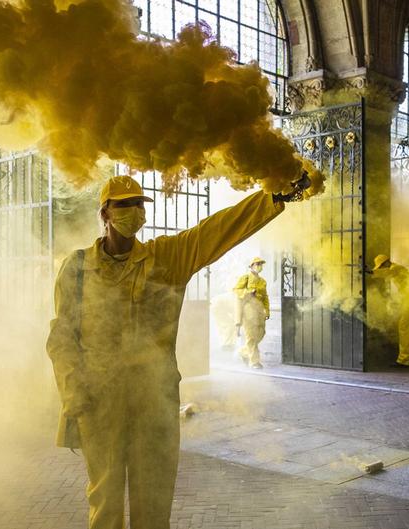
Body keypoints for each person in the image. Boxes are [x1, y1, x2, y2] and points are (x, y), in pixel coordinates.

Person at [46, 174, 309, 529]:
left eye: (140, 204)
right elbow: (62, 336)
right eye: (124, 204)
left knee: (154, 508)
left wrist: (273, 196)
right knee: (105, 505)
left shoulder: (165, 258)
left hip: (154, 404)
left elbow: (216, 231)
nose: (135, 211)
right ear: (105, 213)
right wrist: (73, 391)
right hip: (99, 404)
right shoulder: (77, 269)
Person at [234, 257, 269, 369]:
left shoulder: (263, 281)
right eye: (257, 264)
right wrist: (248, 292)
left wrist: (267, 310)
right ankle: (254, 362)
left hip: (259, 311)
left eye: (260, 264)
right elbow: (236, 290)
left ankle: (243, 352)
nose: (259, 266)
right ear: (251, 266)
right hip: (248, 311)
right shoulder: (246, 278)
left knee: (261, 333)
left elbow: (265, 297)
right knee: (251, 336)